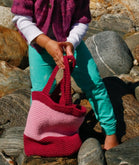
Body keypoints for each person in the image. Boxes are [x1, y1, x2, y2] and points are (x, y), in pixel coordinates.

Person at [11, 0, 118, 152]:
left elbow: (81, 20)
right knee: (41, 94)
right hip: (39, 46)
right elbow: (21, 18)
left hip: (72, 45)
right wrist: (46, 42)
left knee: (95, 85)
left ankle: (110, 132)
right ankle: (39, 134)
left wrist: (71, 42)